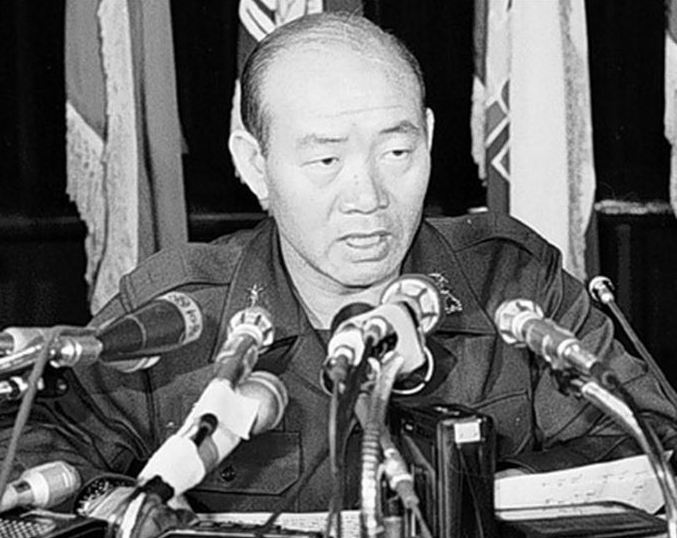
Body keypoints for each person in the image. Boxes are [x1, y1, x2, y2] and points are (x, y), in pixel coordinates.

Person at [2, 11, 677, 516]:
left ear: (429, 138)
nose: (367, 197)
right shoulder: (180, 313)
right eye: (325, 159)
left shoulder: (511, 283)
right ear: (254, 164)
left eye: (396, 153)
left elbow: (648, 441)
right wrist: (125, 506)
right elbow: (29, 446)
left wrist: (485, 500)